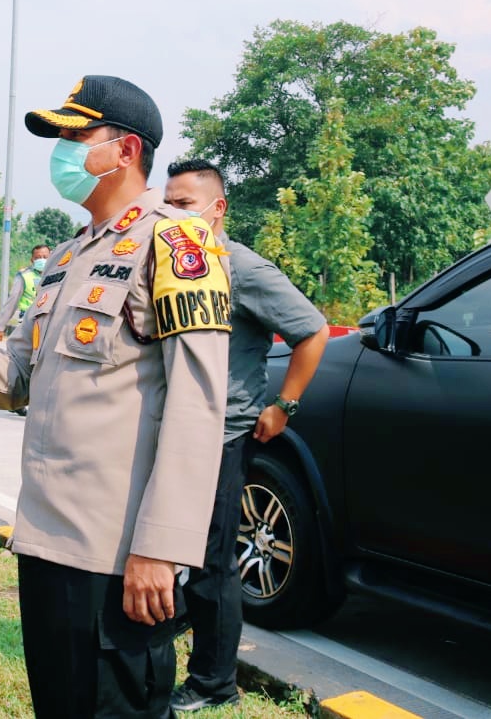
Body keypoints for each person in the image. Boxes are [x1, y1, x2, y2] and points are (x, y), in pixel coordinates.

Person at [0, 75, 231, 719]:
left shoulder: (178, 241)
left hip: (118, 551)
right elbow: (21, 378)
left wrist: (161, 546)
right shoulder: (66, 258)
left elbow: (197, 404)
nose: (62, 152)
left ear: (125, 151)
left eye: (76, 136)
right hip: (47, 541)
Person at [163, 159, 329, 713]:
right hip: (177, 429)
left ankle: (214, 682)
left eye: (184, 205)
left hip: (224, 432)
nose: (172, 214)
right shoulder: (180, 265)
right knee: (170, 549)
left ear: (218, 209)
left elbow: (312, 330)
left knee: (212, 560)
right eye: (168, 203)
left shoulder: (244, 269)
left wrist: (284, 406)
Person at [0, 243, 51, 343]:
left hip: (49, 321)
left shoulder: (58, 275)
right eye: (37, 258)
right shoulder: (24, 275)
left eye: (45, 257)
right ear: (32, 260)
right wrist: (0, 327)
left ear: (51, 257)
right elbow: (12, 301)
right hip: (27, 320)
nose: (42, 260)